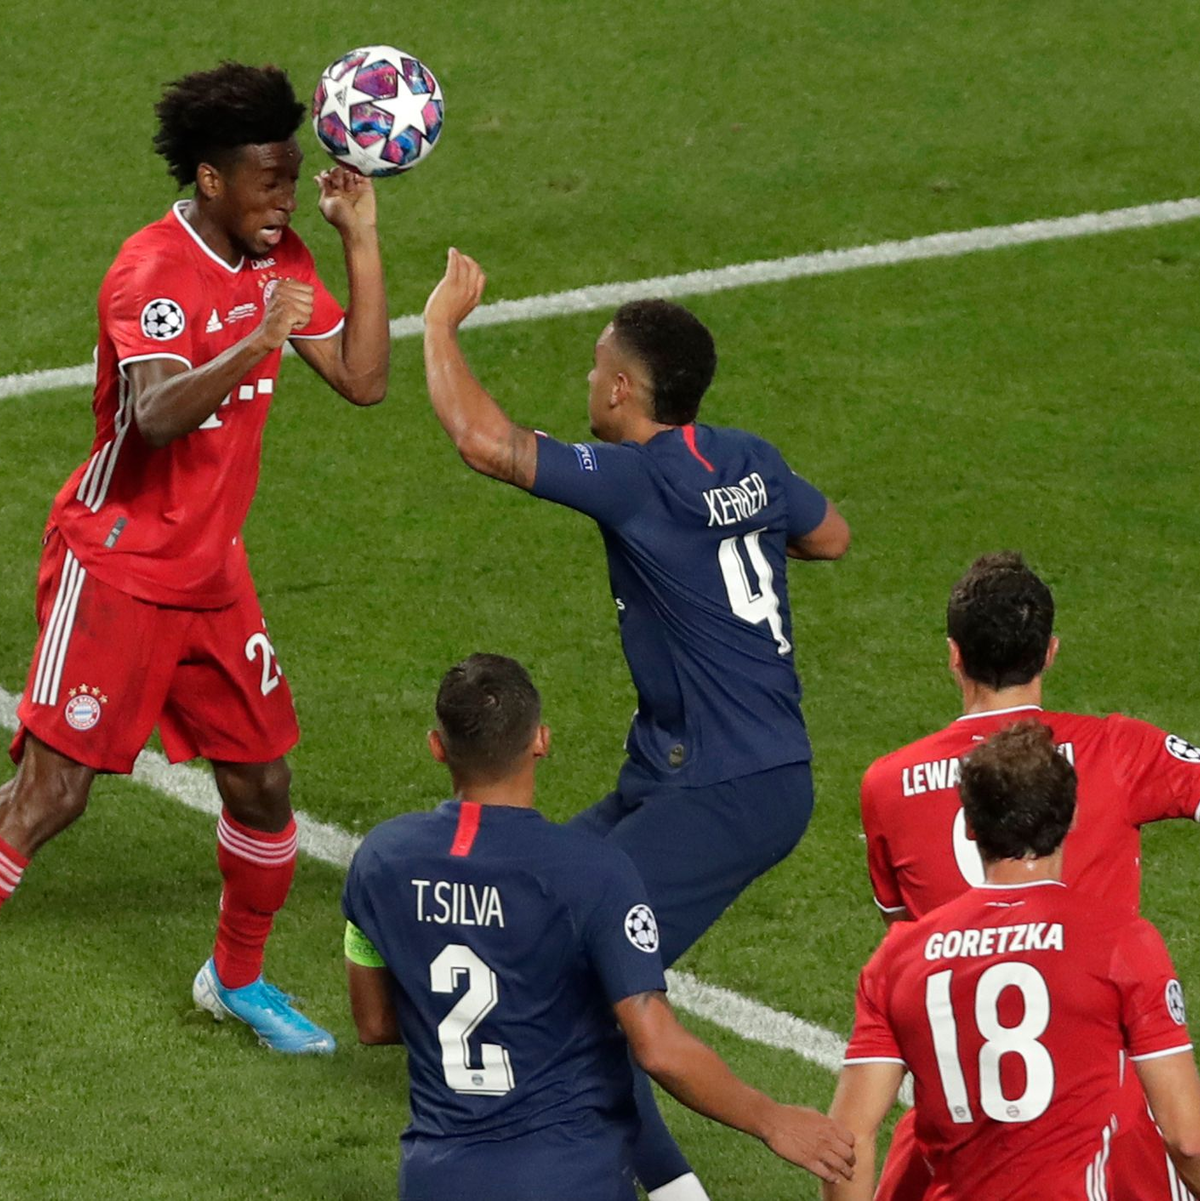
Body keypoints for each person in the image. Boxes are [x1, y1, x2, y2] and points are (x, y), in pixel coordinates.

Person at [422, 248, 849, 1199]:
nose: (586, 379)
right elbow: (830, 536)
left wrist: (441, 328)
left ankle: (669, 1189)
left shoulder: (636, 477)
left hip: (725, 792)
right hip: (679, 771)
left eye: (593, 367)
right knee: (523, 898)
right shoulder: (749, 458)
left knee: (591, 990)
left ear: (622, 389)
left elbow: (486, 441)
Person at [0, 62, 390, 1053]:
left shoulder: (289, 255)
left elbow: (366, 381)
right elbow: (153, 413)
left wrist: (362, 242)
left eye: (293, 182)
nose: (284, 201)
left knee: (263, 783)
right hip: (116, 564)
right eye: (268, 183)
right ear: (212, 180)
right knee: (52, 798)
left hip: (213, 575)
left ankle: (238, 978)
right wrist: (256, 338)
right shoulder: (150, 272)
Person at [342, 653, 856, 1201]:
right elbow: (656, 1046)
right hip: (568, 1176)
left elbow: (373, 1022)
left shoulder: (381, 859)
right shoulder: (593, 870)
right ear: (541, 740)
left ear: (437, 747)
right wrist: (772, 1118)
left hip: (435, 1180)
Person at [859, 551, 1200, 1199]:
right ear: (1050, 652)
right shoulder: (1114, 749)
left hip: (956, 1119)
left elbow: (904, 943)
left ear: (954, 655)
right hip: (1099, 1118)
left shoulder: (888, 784)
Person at [827, 720, 1200, 1200]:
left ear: (967, 825)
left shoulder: (900, 956)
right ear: (1070, 817)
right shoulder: (1121, 941)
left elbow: (849, 1136)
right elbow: (1186, 1138)